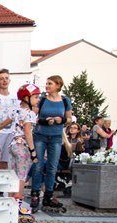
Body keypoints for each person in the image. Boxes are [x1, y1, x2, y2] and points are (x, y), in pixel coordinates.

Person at [30, 75, 72, 213]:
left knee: (52, 167)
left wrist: (62, 120)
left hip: (56, 137)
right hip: (40, 135)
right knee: (38, 165)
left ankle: (48, 195)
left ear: (58, 85)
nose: (47, 86)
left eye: (50, 83)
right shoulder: (42, 100)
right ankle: (35, 194)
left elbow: (70, 118)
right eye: (46, 83)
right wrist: (43, 121)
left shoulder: (65, 100)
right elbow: (32, 116)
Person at [8, 84, 40, 220]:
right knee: (22, 176)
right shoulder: (30, 113)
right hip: (22, 147)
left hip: (13, 145)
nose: (38, 100)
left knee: (13, 175)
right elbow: (28, 131)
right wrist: (33, 151)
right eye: (36, 97)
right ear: (27, 97)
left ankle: (10, 205)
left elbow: (5, 123)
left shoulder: (16, 110)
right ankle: (18, 206)